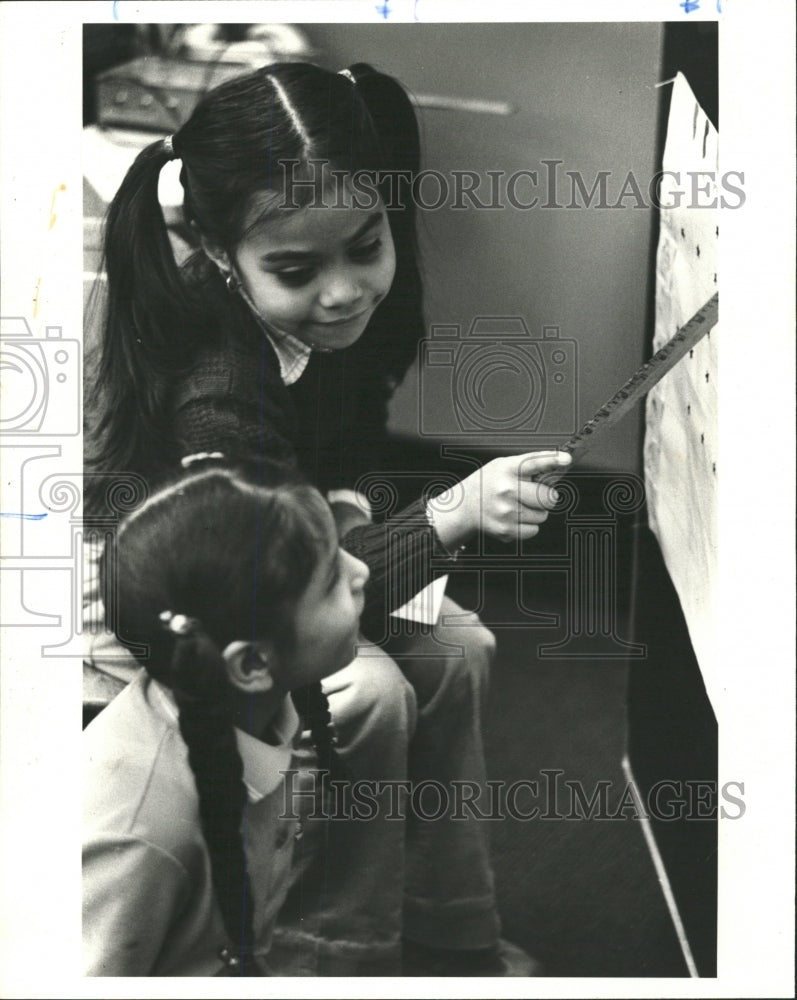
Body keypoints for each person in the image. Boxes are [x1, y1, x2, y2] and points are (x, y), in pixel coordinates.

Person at [84, 61, 571, 975]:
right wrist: (448, 520)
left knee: (461, 650)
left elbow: (331, 468)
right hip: (184, 625)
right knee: (374, 694)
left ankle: (446, 926)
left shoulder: (316, 322)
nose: (345, 290)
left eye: (365, 245)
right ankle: (326, 954)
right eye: (300, 269)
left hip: (286, 565)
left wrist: (356, 519)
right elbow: (273, 607)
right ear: (225, 255)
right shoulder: (216, 390)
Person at [83, 463, 371, 976]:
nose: (361, 571)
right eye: (331, 581)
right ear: (253, 664)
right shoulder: (140, 835)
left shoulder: (258, 711)